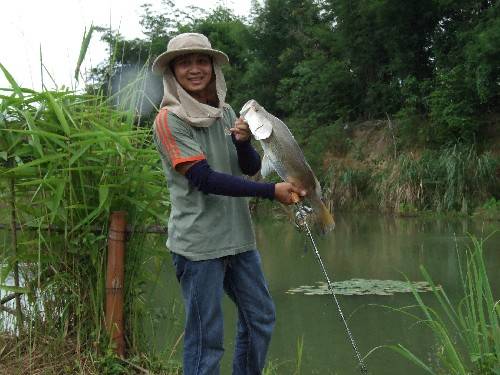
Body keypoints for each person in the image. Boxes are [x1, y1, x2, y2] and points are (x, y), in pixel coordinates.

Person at [151, 33, 305, 375]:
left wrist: (241, 141)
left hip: (238, 239)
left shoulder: (225, 111)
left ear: (213, 67)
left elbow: (248, 167)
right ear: (173, 72)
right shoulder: (169, 120)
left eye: (201, 61)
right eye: (184, 62)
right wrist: (271, 192)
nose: (195, 69)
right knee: (207, 339)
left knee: (260, 318)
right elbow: (204, 179)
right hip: (198, 246)